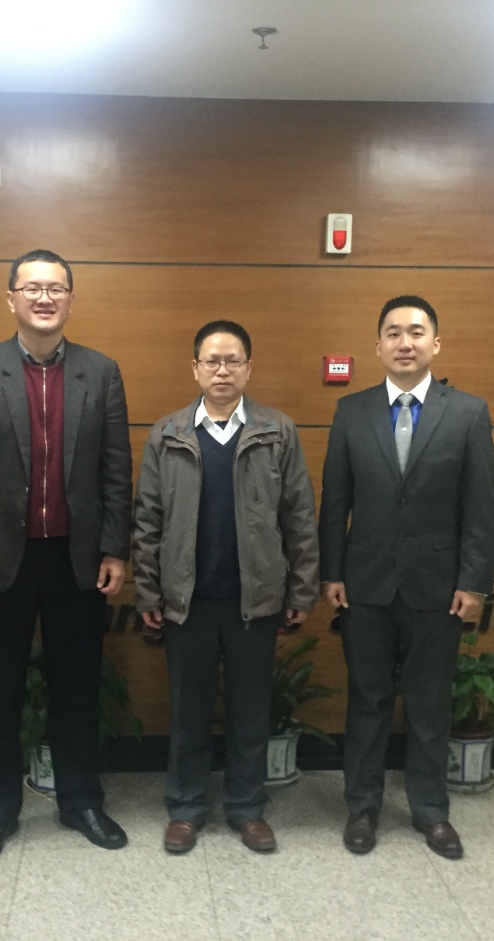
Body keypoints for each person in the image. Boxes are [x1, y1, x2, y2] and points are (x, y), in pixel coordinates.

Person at [0, 249, 133, 866]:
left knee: (77, 688)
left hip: (77, 560)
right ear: (11, 299)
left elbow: (115, 469)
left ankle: (80, 802)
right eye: (32, 287)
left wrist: (115, 547)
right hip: (0, 561)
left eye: (56, 288)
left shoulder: (101, 372)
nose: (44, 298)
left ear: (71, 299)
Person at [319, 295, 494, 861]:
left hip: (438, 587)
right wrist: (331, 572)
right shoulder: (351, 411)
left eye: (416, 332)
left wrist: (474, 582)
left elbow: (480, 508)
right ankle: (362, 807)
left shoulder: (467, 413)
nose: (405, 342)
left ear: (435, 344)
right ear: (377, 346)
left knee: (428, 704)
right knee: (367, 700)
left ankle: (430, 811)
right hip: (365, 583)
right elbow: (335, 501)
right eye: (393, 332)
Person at [133, 320, 319, 855]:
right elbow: (146, 520)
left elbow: (300, 517)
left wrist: (301, 591)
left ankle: (246, 808)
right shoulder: (167, 434)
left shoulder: (276, 431)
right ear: (195, 368)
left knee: (250, 711)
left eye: (232, 360)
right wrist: (148, 592)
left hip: (254, 601)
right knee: (187, 711)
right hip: (187, 601)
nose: (222, 370)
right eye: (211, 361)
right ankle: (186, 808)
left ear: (248, 368)